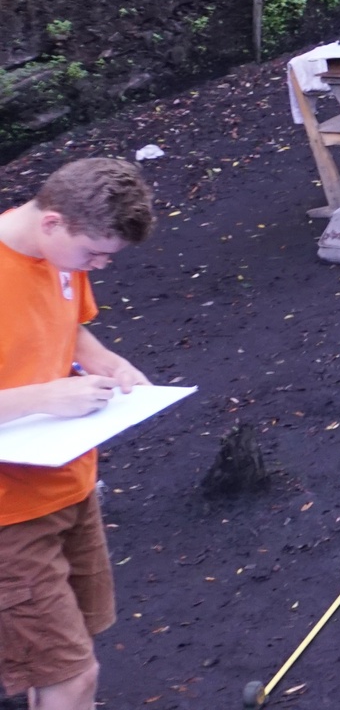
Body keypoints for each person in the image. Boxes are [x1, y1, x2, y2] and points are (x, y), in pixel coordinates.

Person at [0, 159, 155, 710]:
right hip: (10, 516)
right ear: (52, 222)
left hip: (69, 484)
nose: (100, 266)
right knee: (72, 677)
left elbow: (70, 324)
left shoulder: (60, 255)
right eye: (93, 254)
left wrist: (105, 361)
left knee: (68, 653)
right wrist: (43, 397)